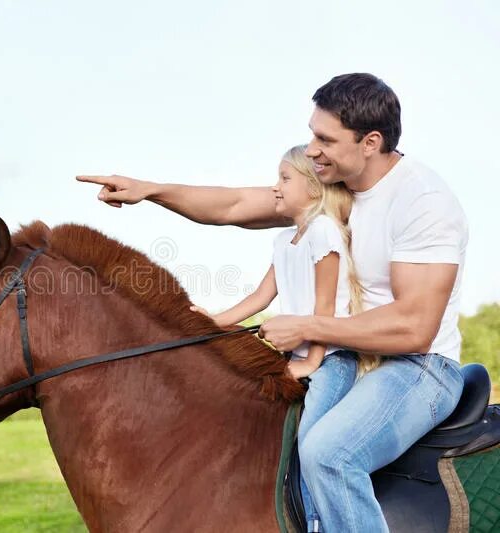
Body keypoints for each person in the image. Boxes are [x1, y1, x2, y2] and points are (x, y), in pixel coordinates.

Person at [76, 73, 468, 532]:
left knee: (329, 455)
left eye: (325, 138)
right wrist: (152, 190)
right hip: (343, 356)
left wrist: (306, 328)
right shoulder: (333, 191)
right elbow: (234, 206)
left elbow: (414, 327)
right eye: (311, 133)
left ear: (371, 142)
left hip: (419, 367)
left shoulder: (422, 200)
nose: (312, 148)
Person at [190, 144, 381, 530]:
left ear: (312, 187)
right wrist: (213, 321)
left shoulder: (325, 231)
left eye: (284, 178)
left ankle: (316, 525)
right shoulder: (283, 242)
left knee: (312, 445)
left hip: (331, 358)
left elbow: (324, 307)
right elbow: (261, 297)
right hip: (297, 357)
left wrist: (312, 361)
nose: (275, 188)